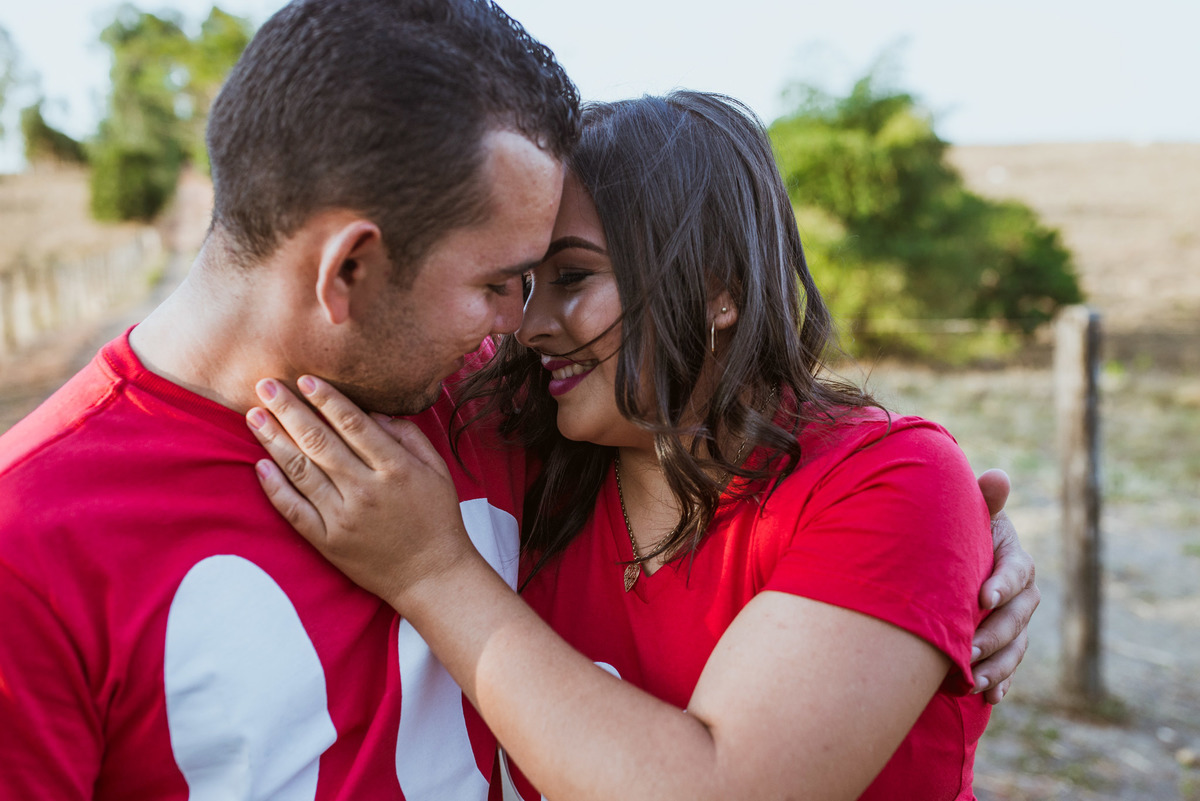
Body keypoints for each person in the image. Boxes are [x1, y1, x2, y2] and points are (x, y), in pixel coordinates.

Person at [247, 91, 1039, 800]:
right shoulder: (524, 442)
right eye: (523, 283)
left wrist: (432, 573)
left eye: (573, 278)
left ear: (720, 286)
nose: (529, 326)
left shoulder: (884, 482)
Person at [0, 1, 578, 797]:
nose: (516, 323)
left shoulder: (506, 401)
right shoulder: (27, 547)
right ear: (349, 270)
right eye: (494, 283)